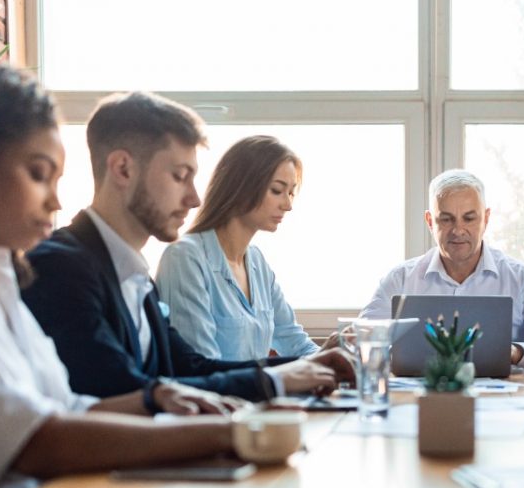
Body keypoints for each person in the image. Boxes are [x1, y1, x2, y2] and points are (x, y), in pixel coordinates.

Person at [0, 62, 243, 488]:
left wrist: (154, 399)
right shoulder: (59, 266)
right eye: (36, 174)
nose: (54, 200)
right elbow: (36, 440)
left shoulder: (2, 281)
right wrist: (228, 433)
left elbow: (66, 407)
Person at [22, 91, 353, 403]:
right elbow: (124, 391)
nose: (194, 199)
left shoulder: (135, 277)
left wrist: (307, 366)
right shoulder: (59, 267)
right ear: (123, 169)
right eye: (180, 176)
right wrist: (275, 382)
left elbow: (190, 368)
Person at [359, 169, 524, 371]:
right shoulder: (399, 280)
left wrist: (517, 352)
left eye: (469, 218)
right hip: (418, 401)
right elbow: (358, 342)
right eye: (446, 219)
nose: (458, 230)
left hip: (506, 404)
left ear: (486, 218)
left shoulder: (522, 279)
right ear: (430, 221)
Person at [155, 135, 327, 361]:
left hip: (258, 395)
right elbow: (202, 366)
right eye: (277, 190)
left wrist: (332, 359)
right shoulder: (185, 258)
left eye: (291, 192)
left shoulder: (256, 262)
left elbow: (294, 341)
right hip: (220, 396)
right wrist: (285, 375)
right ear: (241, 187)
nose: (288, 205)